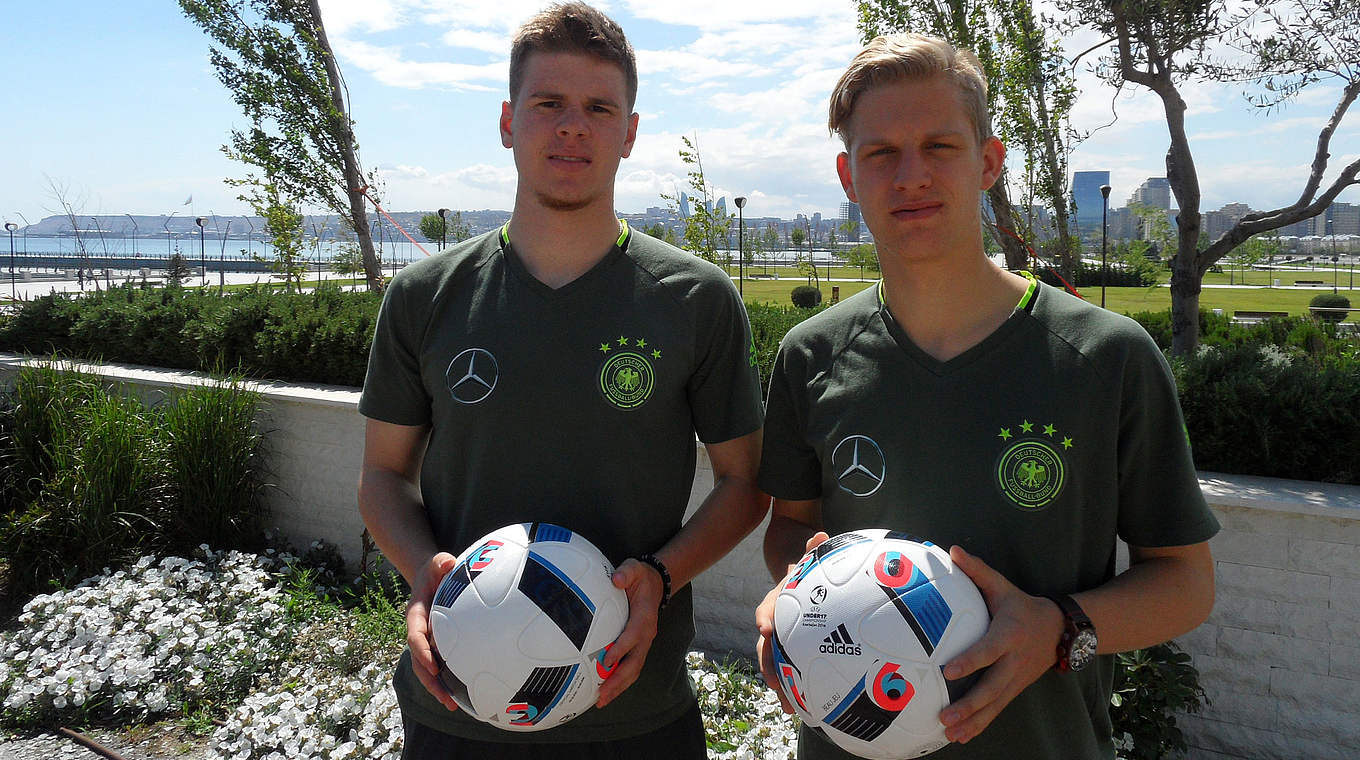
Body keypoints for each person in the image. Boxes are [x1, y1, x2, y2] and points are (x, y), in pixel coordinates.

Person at [754, 34, 1219, 759]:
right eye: (882, 153)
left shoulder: (1106, 357)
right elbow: (790, 528)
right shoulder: (810, 355)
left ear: (989, 163)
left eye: (940, 146)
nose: (911, 175)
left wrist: (1060, 627)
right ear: (849, 176)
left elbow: (1185, 584)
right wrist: (795, 594)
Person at [357, 4, 766, 758]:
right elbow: (382, 477)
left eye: (599, 109)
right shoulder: (424, 296)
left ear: (629, 133)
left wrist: (659, 576)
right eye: (549, 104)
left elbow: (746, 485)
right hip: (457, 706)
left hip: (635, 710)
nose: (573, 127)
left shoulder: (695, 299)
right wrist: (425, 572)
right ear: (508, 122)